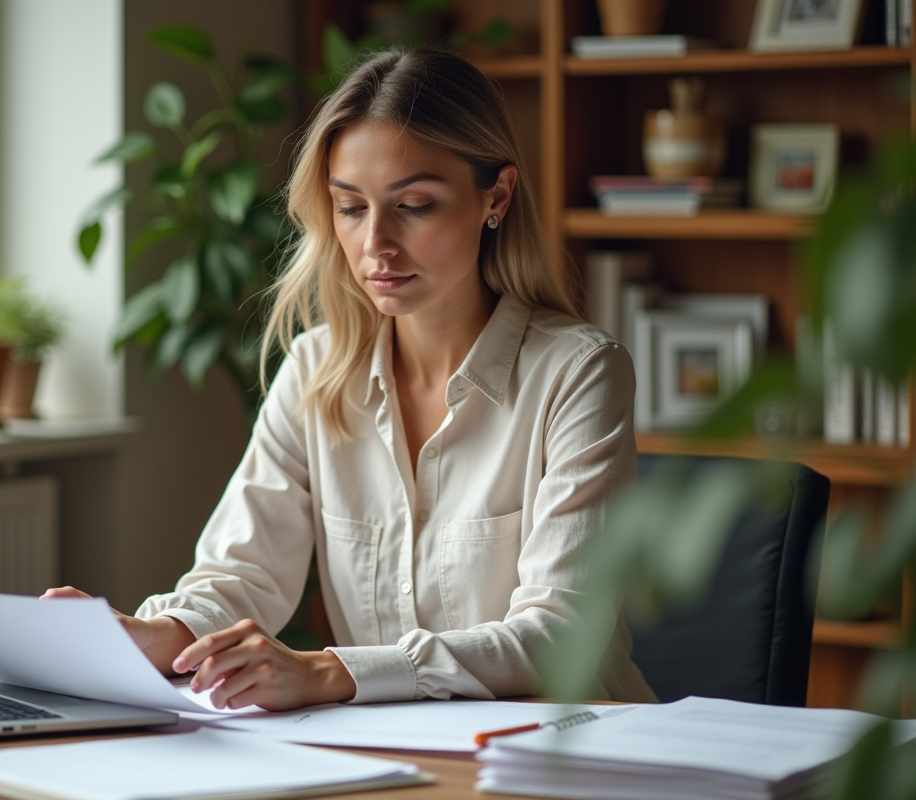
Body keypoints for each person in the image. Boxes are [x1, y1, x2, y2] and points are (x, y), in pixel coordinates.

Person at [44, 46, 657, 711]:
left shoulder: (579, 373)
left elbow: (559, 636)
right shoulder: (316, 370)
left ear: (497, 196)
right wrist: (154, 636)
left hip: (571, 744)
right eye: (350, 207)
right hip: (401, 747)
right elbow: (242, 573)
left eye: (414, 205)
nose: (375, 245)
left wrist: (331, 672)